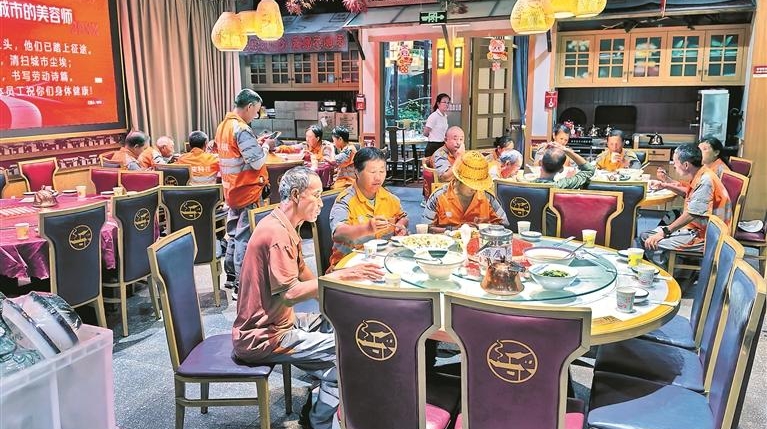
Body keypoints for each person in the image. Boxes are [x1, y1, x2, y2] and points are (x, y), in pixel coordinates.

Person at [233, 166, 384, 429]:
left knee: (340, 324)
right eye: (315, 195)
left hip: (281, 322)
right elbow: (291, 294)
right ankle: (319, 420)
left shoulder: (284, 223)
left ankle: (324, 392)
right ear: (295, 195)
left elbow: (304, 273)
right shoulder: (277, 235)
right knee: (349, 351)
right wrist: (339, 278)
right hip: (263, 335)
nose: (320, 203)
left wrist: (333, 301)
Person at [216, 89, 270, 300]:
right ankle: (242, 284)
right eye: (256, 111)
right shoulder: (241, 129)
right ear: (249, 107)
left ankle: (230, 276)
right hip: (247, 190)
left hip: (231, 189)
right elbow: (256, 162)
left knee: (233, 233)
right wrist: (265, 148)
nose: (256, 116)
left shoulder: (223, 126)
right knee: (244, 238)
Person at [639, 143, 732, 264]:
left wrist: (665, 232)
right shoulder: (702, 173)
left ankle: (667, 271)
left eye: (675, 162)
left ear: (686, 165)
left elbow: (691, 214)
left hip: (706, 236)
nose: (674, 166)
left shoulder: (705, 181)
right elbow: (687, 193)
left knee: (650, 241)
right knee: (646, 235)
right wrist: (665, 185)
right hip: (696, 228)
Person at [328, 147, 408, 269]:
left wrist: (400, 225)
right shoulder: (346, 201)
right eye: (372, 172)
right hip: (349, 265)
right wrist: (367, 228)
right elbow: (338, 233)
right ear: (356, 172)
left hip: (381, 260)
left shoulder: (388, 197)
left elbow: (403, 217)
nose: (378, 178)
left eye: (382, 171)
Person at [423, 150, 509, 233]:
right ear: (458, 179)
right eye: (471, 184)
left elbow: (504, 224)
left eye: (478, 184)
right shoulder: (438, 197)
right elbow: (426, 228)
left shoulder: (487, 197)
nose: (475, 189)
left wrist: (480, 228)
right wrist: (453, 230)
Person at [423, 93, 451, 158]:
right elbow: (425, 132)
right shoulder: (434, 116)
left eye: (448, 103)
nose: (447, 104)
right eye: (444, 102)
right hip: (433, 146)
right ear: (438, 103)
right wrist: (433, 136)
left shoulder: (445, 117)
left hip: (442, 145)